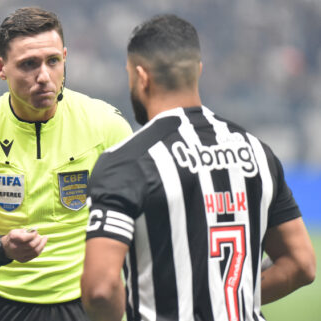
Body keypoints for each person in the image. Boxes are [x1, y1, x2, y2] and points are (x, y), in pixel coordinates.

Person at [80, 14, 316, 321]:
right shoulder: (257, 152)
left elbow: (100, 289)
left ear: (141, 76)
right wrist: (227, 298)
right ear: (198, 71)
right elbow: (301, 264)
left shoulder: (126, 163)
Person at [0, 6, 133, 321]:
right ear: (0, 67)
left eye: (53, 61)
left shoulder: (107, 126)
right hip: (5, 305)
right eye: (29, 64)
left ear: (65, 58)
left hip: (89, 305)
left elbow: (139, 227)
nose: (44, 76)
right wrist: (2, 248)